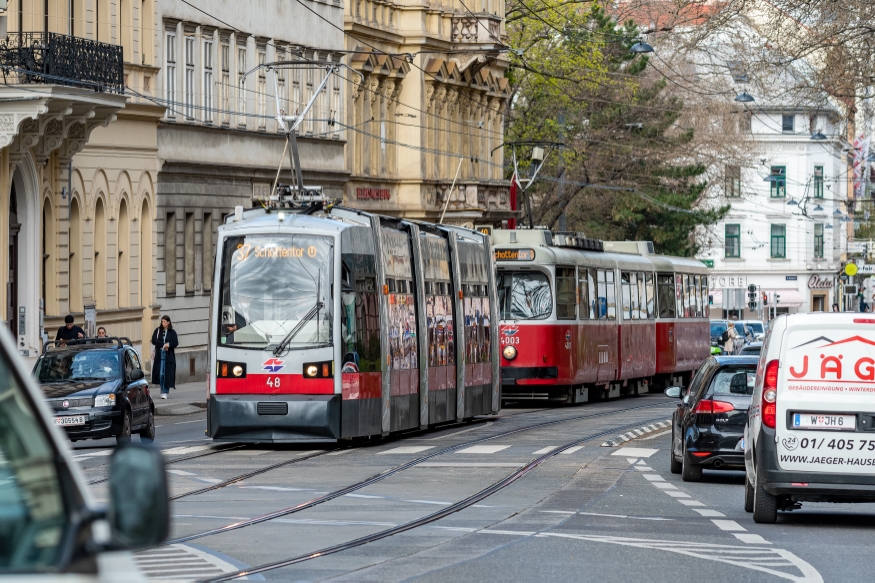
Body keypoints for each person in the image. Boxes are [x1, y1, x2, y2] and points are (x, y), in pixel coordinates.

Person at [151, 315, 178, 399]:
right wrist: (163, 345)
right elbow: (154, 340)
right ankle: (162, 389)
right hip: (159, 354)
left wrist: (169, 345)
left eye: (165, 322)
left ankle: (165, 391)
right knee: (160, 374)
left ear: (168, 322)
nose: (163, 323)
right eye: (162, 321)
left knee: (166, 374)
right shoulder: (158, 330)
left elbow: (176, 343)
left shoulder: (172, 332)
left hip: (168, 355)